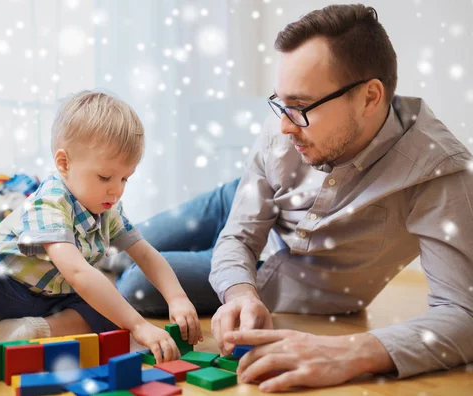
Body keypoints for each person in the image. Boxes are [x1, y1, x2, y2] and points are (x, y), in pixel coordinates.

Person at [117, 4, 473, 392]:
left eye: (301, 107)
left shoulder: (441, 171)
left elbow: (462, 314)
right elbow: (238, 236)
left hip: (288, 275)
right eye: (281, 103)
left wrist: (353, 351)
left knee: (135, 281)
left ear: (370, 97)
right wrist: (238, 290)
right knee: (116, 241)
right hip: (241, 200)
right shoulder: (288, 127)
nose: (284, 125)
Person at [0, 91, 202, 375]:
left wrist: (177, 297)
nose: (116, 189)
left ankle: (29, 332)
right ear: (64, 163)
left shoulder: (108, 209)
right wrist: (139, 325)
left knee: (111, 307)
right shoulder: (50, 202)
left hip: (48, 305)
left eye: (124, 178)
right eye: (105, 177)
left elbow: (145, 252)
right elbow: (78, 273)